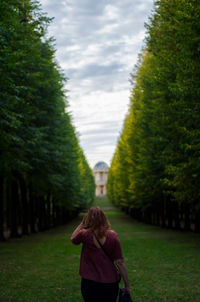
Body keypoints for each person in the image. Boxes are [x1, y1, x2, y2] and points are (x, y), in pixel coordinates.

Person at [71, 206, 131, 302]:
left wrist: (82, 224)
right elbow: (120, 262)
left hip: (89, 282)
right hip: (110, 282)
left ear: (88, 219)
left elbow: (73, 239)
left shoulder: (84, 234)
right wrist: (127, 285)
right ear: (104, 218)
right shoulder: (113, 236)